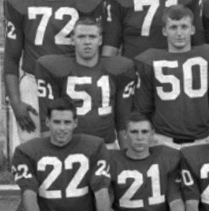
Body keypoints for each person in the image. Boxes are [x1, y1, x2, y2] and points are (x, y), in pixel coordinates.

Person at [1, 0, 106, 136]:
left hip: (74, 80)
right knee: (33, 146)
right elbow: (11, 58)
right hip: (34, 80)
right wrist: (16, 102)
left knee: (78, 141)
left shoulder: (87, 2)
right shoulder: (19, 3)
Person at [35, 16, 137, 146]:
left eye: (92, 37)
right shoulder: (55, 69)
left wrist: (125, 157)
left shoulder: (119, 69)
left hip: (106, 145)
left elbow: (123, 120)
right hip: (69, 146)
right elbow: (48, 120)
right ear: (72, 40)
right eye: (81, 37)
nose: (87, 42)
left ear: (100, 40)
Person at [134, 7, 209, 148]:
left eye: (184, 27)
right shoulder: (149, 60)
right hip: (162, 140)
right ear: (164, 31)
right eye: (173, 27)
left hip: (202, 139)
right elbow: (143, 109)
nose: (179, 33)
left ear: (192, 30)